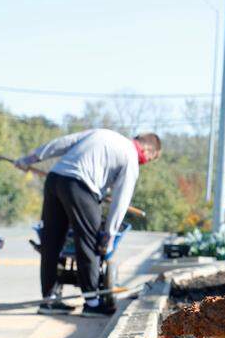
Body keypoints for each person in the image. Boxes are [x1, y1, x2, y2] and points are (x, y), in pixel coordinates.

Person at [17, 129, 161, 317]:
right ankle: (92, 303)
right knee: (89, 243)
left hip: (55, 178)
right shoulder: (131, 157)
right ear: (148, 150)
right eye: (149, 159)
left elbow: (62, 143)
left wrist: (31, 158)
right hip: (81, 187)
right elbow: (121, 200)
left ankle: (49, 300)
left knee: (51, 243)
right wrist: (109, 234)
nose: (145, 162)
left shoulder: (103, 133)